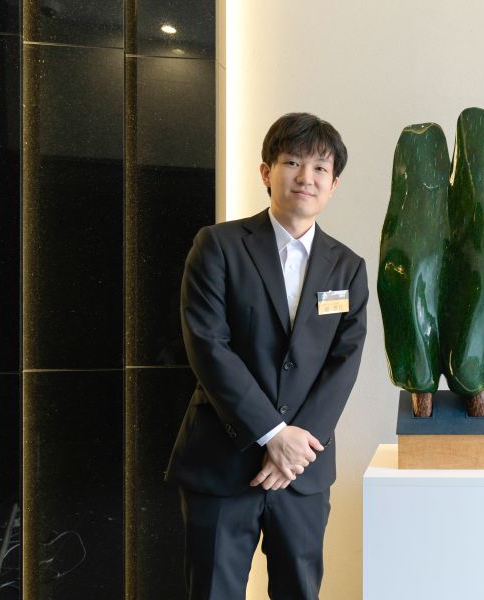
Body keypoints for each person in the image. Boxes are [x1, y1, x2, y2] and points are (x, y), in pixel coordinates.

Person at [165, 113, 368, 599]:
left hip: (303, 473)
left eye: (320, 168)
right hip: (222, 462)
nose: (306, 177)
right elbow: (208, 345)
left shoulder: (348, 267)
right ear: (266, 172)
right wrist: (272, 433)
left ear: (334, 185)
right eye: (292, 162)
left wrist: (296, 449)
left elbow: (344, 363)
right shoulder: (217, 246)